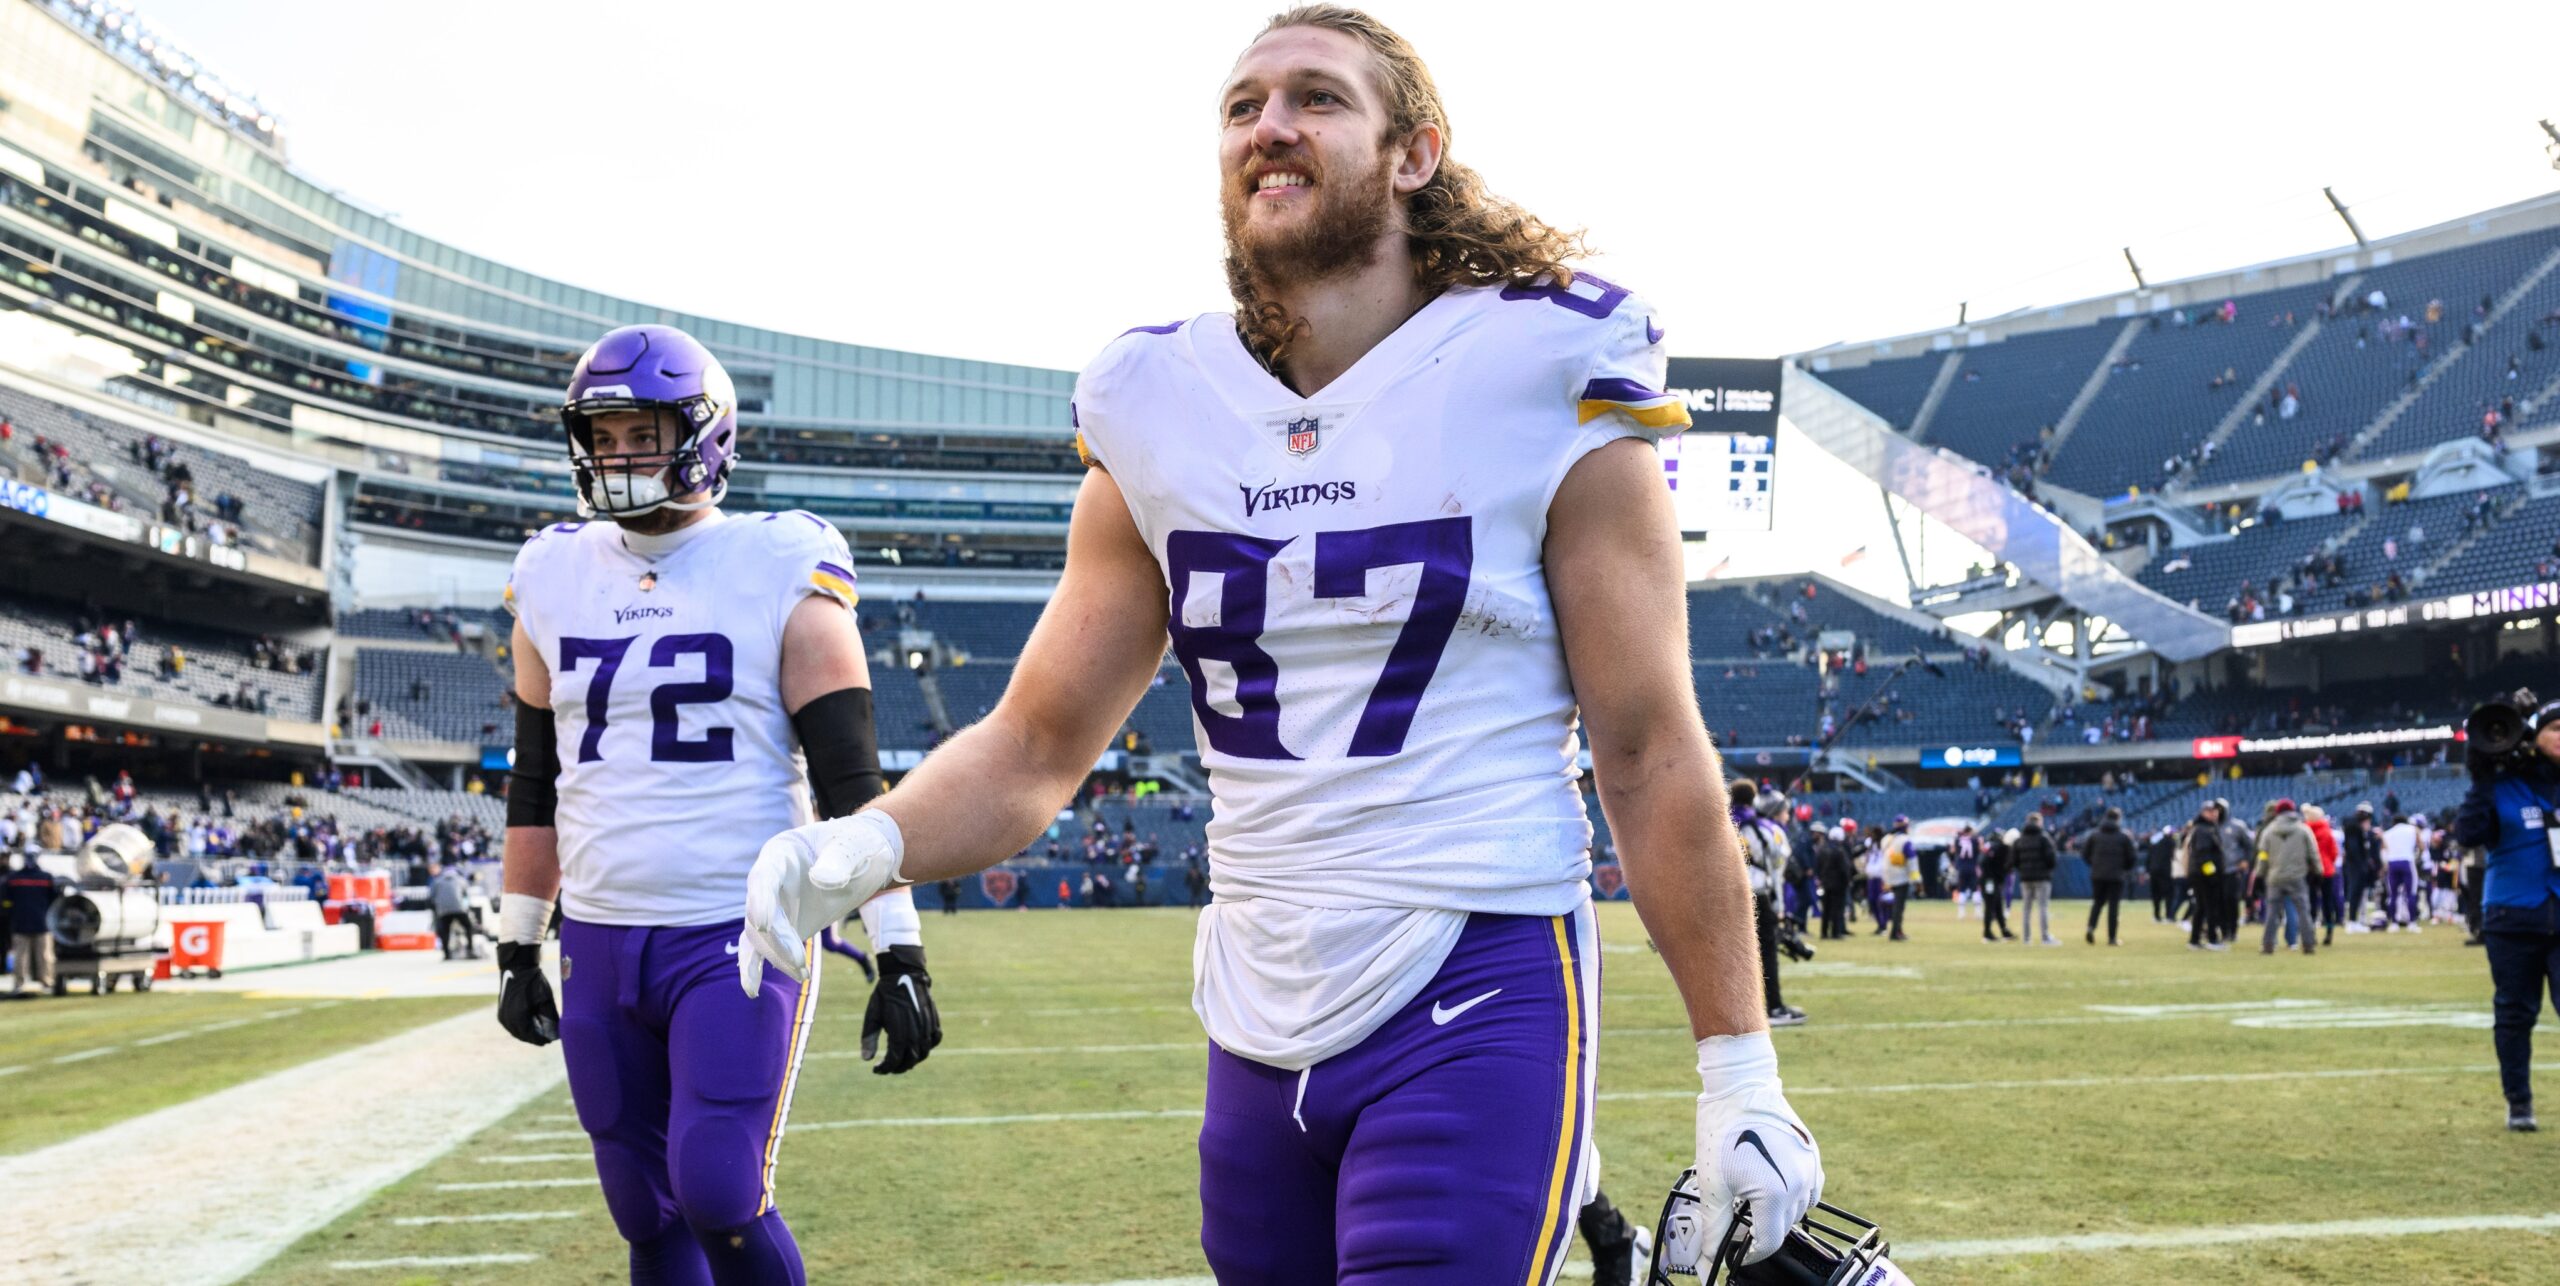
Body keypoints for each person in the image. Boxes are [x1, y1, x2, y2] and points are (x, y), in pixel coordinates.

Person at [736, 10, 1825, 1279]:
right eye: (1242, 105)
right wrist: (865, 845)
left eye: (1315, 97)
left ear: (1413, 151)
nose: (1269, 125)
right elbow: (1035, 743)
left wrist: (1738, 1062)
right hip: (1252, 1002)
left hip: (1473, 970)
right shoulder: (1158, 400)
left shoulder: (1543, 358)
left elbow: (1643, 747)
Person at [492, 323, 944, 1284]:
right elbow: (534, 780)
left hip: (736, 930)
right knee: (641, 1207)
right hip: (602, 933)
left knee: (717, 1186)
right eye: (603, 437)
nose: (619, 457)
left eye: (642, 433)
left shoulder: (781, 558)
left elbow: (851, 783)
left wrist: (899, 946)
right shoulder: (551, 570)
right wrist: (518, 939)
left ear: (705, 437)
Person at [2453, 698, 2560, 1131]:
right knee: (2515, 1013)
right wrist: (2483, 774)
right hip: (2513, 915)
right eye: (2556, 728)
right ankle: (2519, 1102)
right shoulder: (2502, 785)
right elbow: (2469, 833)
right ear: (2534, 737)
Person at [1735, 784, 1806, 1025]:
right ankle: (1773, 1007)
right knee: (1767, 953)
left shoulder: (1722, 823)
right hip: (1758, 894)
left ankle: (1739, 1010)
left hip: (1727, 897)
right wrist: (1780, 909)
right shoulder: (1768, 830)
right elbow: (1776, 874)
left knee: (1736, 956)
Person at [2255, 800, 2317, 956]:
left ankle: (2268, 944)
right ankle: (2308, 943)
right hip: (2297, 877)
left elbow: (2263, 855)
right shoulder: (2303, 830)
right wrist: (2318, 871)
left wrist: (2260, 874)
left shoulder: (2269, 831)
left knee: (2272, 913)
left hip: (2274, 877)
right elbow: (2313, 853)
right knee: (2303, 911)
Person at [6, 852, 61, 993]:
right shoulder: (16, 878)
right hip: (28, 922)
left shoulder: (44, 878)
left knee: (43, 956)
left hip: (38, 923)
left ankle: (45, 982)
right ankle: (21, 983)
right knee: (23, 956)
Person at [2081, 808, 2135, 945]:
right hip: (2116, 876)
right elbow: (2132, 858)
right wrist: (2124, 868)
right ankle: (2112, 938)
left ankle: (2091, 928)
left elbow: (2084, 854)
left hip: (2098, 874)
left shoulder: (2095, 835)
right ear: (2118, 819)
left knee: (2097, 903)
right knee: (2113, 906)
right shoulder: (2123, 837)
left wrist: (2094, 864)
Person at [2181, 805, 2230, 951]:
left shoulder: (2206, 828)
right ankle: (2212, 939)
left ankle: (2195, 939)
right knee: (2210, 907)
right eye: (2210, 811)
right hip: (2204, 876)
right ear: (2203, 813)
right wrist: (2211, 874)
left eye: (2215, 811)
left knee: (2201, 907)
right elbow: (2204, 855)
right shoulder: (2203, 830)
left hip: (2200, 874)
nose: (2214, 813)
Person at [2011, 812, 2058, 945]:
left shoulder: (2019, 840)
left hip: (2025, 878)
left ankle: (2026, 938)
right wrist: (2047, 870)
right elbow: (2051, 858)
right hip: (2042, 878)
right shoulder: (2043, 838)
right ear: (2038, 823)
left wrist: (2023, 870)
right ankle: (2045, 937)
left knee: (2026, 908)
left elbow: (2014, 860)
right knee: (2042, 907)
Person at [2304, 803, 2342, 946]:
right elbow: (2334, 852)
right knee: (2328, 902)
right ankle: (2329, 932)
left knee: (2311, 902)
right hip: (2327, 870)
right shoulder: (2327, 832)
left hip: (2310, 870)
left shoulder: (2305, 830)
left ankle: (2311, 932)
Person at [427, 863, 480, 961]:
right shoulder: (461, 880)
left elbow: (431, 897)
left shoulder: (437, 881)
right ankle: (470, 950)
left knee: (445, 931)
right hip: (459, 908)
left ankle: (447, 954)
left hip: (443, 910)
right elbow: (465, 895)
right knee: (468, 927)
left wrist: (437, 910)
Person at [2380, 812, 2424, 932]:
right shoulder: (2412, 829)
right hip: (2407, 862)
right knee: (2411, 893)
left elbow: (2383, 851)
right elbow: (2421, 846)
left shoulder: (2388, 832)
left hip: (2392, 863)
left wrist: (2385, 865)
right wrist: (2417, 857)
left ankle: (2394, 923)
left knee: (2392, 894)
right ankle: (2412, 923)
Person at [1875, 816, 1912, 942]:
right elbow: (1912, 860)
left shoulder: (1886, 839)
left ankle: (1887, 927)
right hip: (1900, 876)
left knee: (1889, 903)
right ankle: (1895, 931)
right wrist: (1917, 880)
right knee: (1898, 906)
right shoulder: (1905, 840)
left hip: (1886, 876)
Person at [1817, 825, 1853, 941]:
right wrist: (1848, 881)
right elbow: (1844, 869)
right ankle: (1835, 932)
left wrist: (1821, 878)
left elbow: (1817, 866)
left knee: (1826, 909)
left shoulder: (1822, 849)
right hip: (1838, 885)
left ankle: (1824, 932)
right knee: (1837, 909)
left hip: (1826, 883)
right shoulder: (1839, 851)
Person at [1980, 827, 2016, 942]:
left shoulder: (2003, 849)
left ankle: (2004, 931)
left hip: (1993, 880)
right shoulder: (1999, 849)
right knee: (1990, 906)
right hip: (1989, 881)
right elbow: (1984, 862)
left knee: (1998, 906)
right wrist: (1992, 878)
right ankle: (1987, 932)